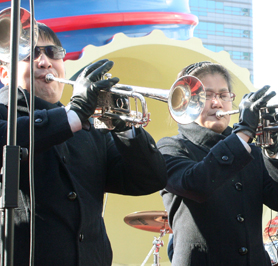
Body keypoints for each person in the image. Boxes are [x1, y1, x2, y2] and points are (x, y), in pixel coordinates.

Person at [0, 23, 167, 265]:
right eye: (30, 54)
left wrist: (125, 128)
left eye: (52, 52)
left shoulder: (87, 128)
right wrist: (74, 113)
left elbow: (150, 179)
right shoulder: (6, 117)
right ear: (4, 74)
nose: (44, 62)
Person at [158, 61, 278, 265]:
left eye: (223, 95)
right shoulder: (170, 147)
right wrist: (244, 133)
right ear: (185, 102)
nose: (217, 103)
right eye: (206, 95)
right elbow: (196, 184)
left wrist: (273, 149)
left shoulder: (252, 151)